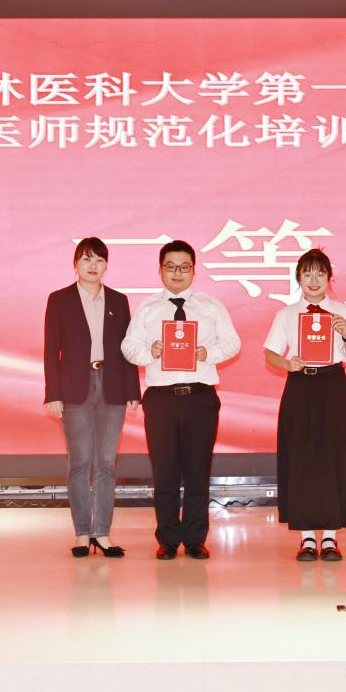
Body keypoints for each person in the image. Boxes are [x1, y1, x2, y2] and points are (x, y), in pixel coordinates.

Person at [121, 239, 241, 560]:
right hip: (161, 400)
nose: (177, 272)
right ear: (160, 270)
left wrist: (208, 353)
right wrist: (150, 352)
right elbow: (128, 347)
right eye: (171, 266)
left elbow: (233, 343)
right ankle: (168, 538)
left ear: (194, 271)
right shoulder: (148, 308)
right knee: (165, 472)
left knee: (198, 471)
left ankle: (196, 538)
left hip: (200, 398)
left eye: (184, 267)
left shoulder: (211, 306)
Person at [263, 249, 346, 562]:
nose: (313, 280)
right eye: (307, 274)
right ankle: (307, 538)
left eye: (320, 274)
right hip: (299, 386)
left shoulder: (343, 312)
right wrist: (287, 363)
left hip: (333, 386)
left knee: (334, 458)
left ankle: (331, 538)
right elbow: (270, 354)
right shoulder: (286, 315)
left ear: (329, 278)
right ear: (298, 278)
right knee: (301, 459)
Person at [43, 237, 140, 558]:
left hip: (112, 387)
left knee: (106, 464)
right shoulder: (59, 300)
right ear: (76, 264)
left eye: (99, 260)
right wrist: (53, 393)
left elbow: (127, 349)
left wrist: (132, 390)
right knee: (80, 462)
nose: (92, 265)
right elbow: (50, 351)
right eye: (86, 259)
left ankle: (103, 533)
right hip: (74, 388)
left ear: (106, 265)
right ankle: (82, 533)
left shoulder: (119, 300)